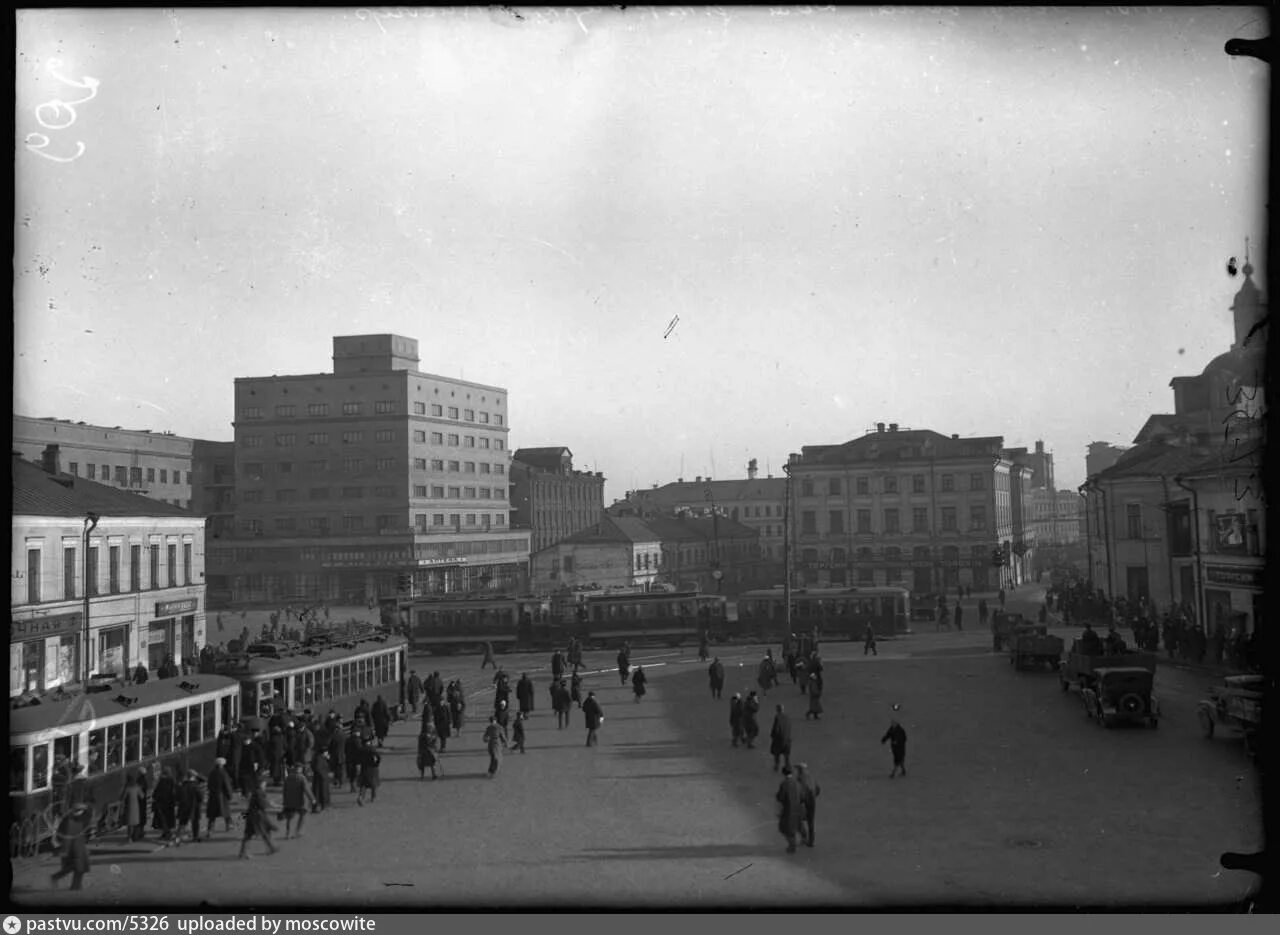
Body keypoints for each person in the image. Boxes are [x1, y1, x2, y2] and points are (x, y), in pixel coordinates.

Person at [50, 802, 92, 890]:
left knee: (81, 867)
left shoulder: (80, 819)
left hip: (79, 846)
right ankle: (58, 878)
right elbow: (66, 837)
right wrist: (65, 850)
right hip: (72, 848)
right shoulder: (69, 821)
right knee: (76, 866)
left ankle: (76, 885)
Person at [238, 774, 278, 859]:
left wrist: (244, 816)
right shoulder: (259, 792)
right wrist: (271, 805)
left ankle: (271, 848)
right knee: (261, 832)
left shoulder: (255, 792)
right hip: (257, 817)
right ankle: (271, 848)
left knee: (251, 834)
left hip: (253, 816)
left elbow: (251, 806)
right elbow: (262, 804)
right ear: (261, 784)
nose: (265, 785)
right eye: (264, 783)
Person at [281, 763, 316, 838]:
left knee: (289, 817)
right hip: (300, 801)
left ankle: (288, 832)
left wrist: (284, 801)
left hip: (289, 801)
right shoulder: (302, 778)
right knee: (302, 815)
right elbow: (307, 790)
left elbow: (284, 790)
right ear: (301, 769)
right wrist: (312, 799)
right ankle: (297, 831)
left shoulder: (288, 778)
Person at [775, 767, 802, 854]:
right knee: (796, 825)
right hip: (798, 808)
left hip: (788, 809)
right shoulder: (797, 782)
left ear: (783, 774)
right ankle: (803, 839)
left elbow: (780, 797)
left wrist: (779, 811)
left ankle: (792, 845)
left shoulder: (784, 784)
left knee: (785, 828)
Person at [152, 766, 179, 844]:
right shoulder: (172, 780)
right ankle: (166, 833)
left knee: (163, 819)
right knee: (168, 818)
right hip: (170, 803)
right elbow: (174, 791)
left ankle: (167, 833)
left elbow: (157, 792)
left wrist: (155, 797)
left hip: (162, 803)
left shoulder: (162, 781)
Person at [177, 769, 206, 843]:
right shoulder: (195, 786)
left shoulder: (182, 785)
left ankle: (178, 837)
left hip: (184, 806)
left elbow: (178, 796)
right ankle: (195, 837)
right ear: (193, 777)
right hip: (194, 807)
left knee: (182, 822)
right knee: (195, 822)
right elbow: (200, 797)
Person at [795, 763, 820, 848]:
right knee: (810, 821)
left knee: (796, 818)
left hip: (804, 802)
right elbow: (818, 789)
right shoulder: (811, 778)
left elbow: (800, 792)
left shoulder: (800, 779)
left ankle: (804, 836)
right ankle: (811, 841)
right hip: (812, 801)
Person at [881, 705, 907, 778]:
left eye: (893, 722)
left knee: (897, 760)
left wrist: (897, 742)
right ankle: (903, 770)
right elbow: (888, 734)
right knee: (900, 760)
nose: (892, 723)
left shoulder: (900, 731)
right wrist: (884, 740)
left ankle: (893, 773)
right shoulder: (892, 729)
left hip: (900, 748)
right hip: (895, 748)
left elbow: (904, 738)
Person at [121, 771, 147, 842]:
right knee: (136, 822)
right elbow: (142, 796)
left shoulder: (127, 788)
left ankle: (129, 837)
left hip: (129, 806)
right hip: (136, 806)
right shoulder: (137, 787)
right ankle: (136, 836)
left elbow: (122, 798)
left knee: (130, 823)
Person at [769, 704, 793, 773]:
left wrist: (773, 736)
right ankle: (788, 766)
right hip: (787, 739)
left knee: (777, 754)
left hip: (779, 739)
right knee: (786, 756)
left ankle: (777, 766)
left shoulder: (777, 717)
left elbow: (776, 729)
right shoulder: (787, 717)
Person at [356, 741, 381, 806]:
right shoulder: (372, 749)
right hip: (372, 768)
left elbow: (357, 759)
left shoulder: (361, 749)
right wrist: (376, 764)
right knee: (373, 783)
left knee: (363, 784)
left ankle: (361, 797)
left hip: (364, 768)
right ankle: (373, 797)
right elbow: (378, 757)